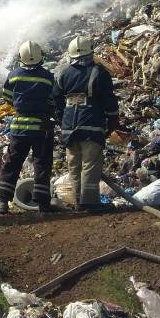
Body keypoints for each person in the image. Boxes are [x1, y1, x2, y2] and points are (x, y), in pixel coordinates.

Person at [53, 34, 120, 212]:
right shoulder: (99, 72)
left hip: (69, 127)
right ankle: (90, 202)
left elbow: (56, 101)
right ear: (90, 53)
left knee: (74, 165)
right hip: (91, 123)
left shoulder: (62, 73)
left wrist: (62, 121)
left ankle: (77, 202)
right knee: (90, 163)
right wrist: (113, 120)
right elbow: (109, 100)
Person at [0, 41, 61, 214]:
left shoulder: (14, 75)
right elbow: (53, 101)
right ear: (41, 57)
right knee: (42, 163)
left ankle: (2, 202)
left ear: (21, 57)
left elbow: (7, 97)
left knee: (12, 163)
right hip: (42, 126)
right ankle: (43, 204)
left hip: (19, 127)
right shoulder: (48, 76)